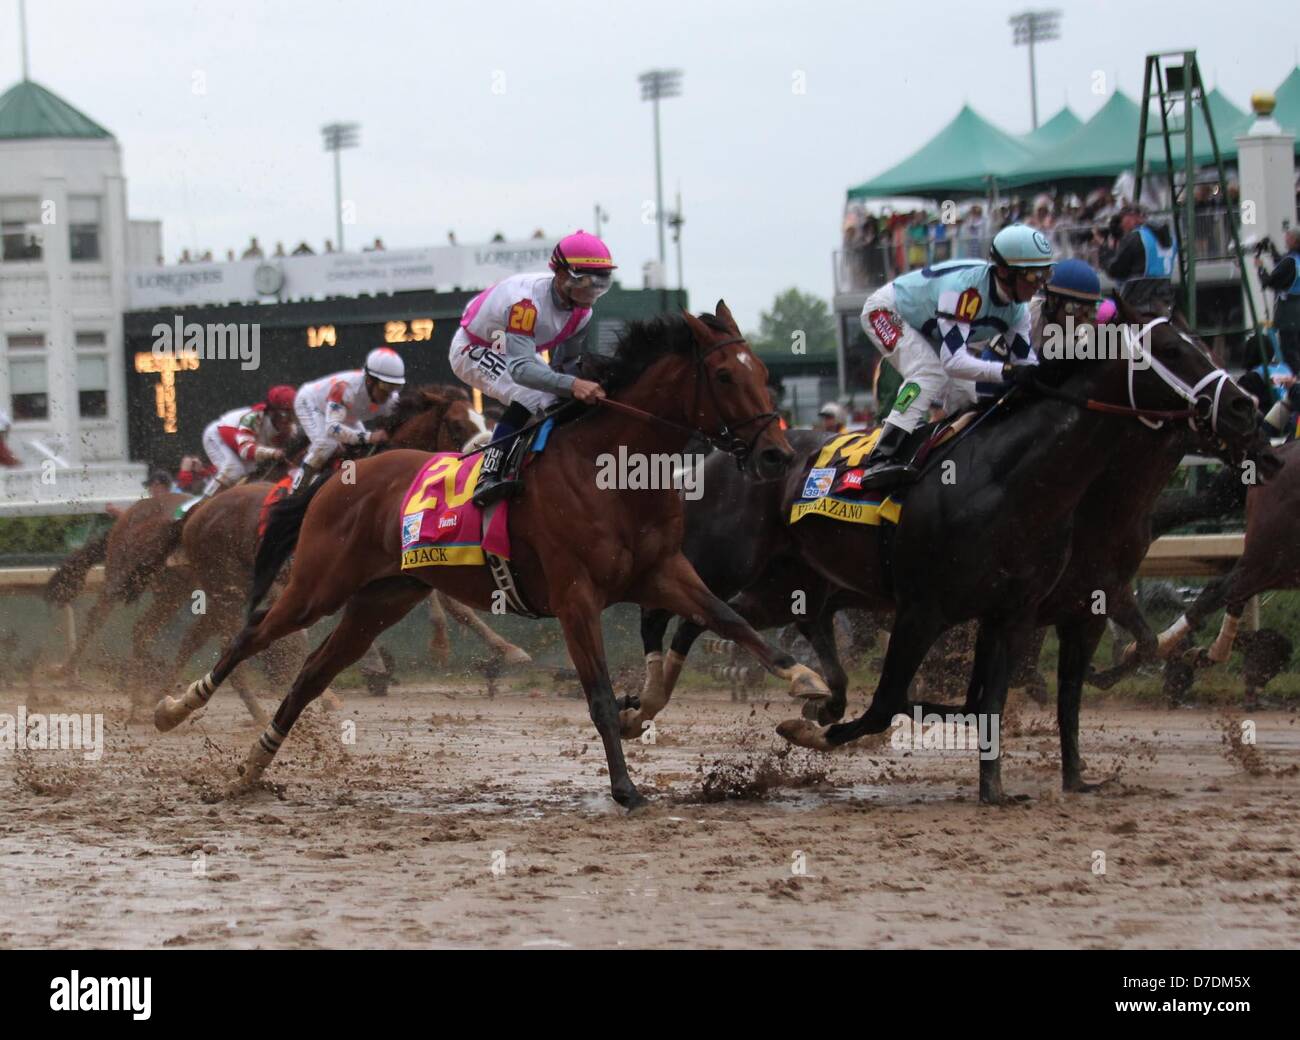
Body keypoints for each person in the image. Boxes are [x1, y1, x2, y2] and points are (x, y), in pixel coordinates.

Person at [857, 223, 1051, 488]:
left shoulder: (1018, 311)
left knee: (968, 397)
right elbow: (953, 361)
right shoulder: (965, 290)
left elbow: (1028, 366)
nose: (1038, 286)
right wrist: (1006, 372)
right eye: (1033, 277)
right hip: (885, 311)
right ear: (1005, 272)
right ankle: (881, 455)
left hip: (929, 329)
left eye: (1045, 275)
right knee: (928, 372)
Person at [449, 229, 614, 506]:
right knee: (530, 395)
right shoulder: (525, 304)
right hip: (474, 347)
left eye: (600, 284)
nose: (592, 293)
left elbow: (565, 366)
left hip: (511, 348)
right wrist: (574, 385)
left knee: (557, 398)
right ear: (561, 275)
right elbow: (522, 371)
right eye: (585, 281)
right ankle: (489, 472)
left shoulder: (583, 312)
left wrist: (579, 385)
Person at [291, 348, 405, 495]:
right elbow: (332, 428)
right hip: (310, 402)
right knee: (327, 444)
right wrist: (370, 436)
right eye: (385, 387)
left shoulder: (390, 399)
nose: (388, 394)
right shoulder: (345, 388)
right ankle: (296, 492)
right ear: (369, 380)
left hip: (345, 413)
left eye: (395, 387)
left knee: (362, 449)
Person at [197, 386, 297, 502]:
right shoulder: (252, 418)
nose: (289, 421)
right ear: (272, 411)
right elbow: (245, 450)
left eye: (293, 414)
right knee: (234, 469)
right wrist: (273, 452)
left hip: (243, 444)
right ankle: (202, 504)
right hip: (217, 437)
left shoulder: (291, 430)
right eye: (285, 415)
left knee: (252, 474)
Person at [1101, 204, 1178, 313]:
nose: (1121, 225)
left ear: (1132, 217)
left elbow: (1115, 271)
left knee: (1104, 313)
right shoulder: (1170, 238)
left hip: (1137, 300)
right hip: (1165, 299)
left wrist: (1106, 251)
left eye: (1121, 220)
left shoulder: (1135, 237)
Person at [1256, 227, 1300, 375]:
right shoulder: (1295, 259)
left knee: (1290, 353)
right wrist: (1272, 249)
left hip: (1288, 316)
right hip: (1297, 312)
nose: (1285, 238)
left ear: (1294, 240)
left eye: (1288, 236)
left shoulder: (1289, 261)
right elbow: (1283, 266)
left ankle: (1293, 384)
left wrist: (1260, 269)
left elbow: (1270, 281)